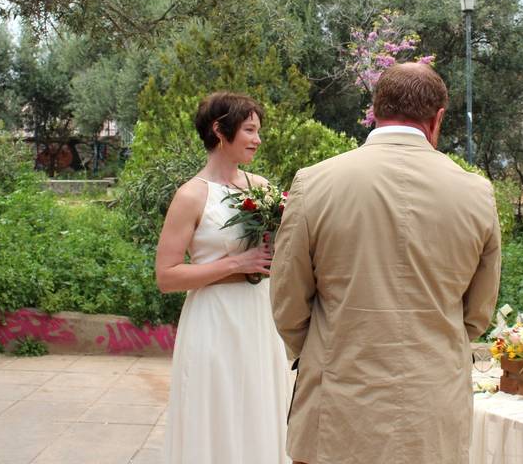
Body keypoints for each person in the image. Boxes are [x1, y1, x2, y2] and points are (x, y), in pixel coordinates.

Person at [270, 63, 502, 464]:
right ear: (438, 118)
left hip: (339, 398)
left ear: (376, 109)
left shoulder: (315, 182)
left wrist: (323, 349)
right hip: (432, 405)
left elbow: (288, 299)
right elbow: (478, 311)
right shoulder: (476, 193)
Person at [157, 91, 291, 464]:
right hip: (214, 320)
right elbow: (166, 276)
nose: (257, 139)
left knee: (261, 407)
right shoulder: (191, 195)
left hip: (259, 318)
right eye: (249, 130)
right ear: (219, 130)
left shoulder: (262, 188)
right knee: (218, 411)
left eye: (258, 130)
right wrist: (236, 264)